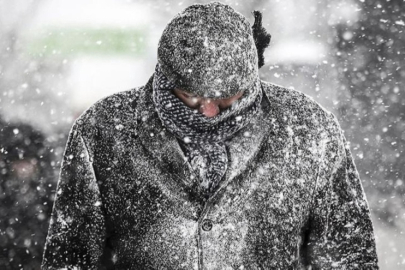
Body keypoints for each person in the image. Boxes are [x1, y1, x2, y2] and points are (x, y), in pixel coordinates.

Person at [42, 2, 379, 269]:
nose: (208, 111)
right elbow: (69, 257)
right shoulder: (103, 130)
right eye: (190, 96)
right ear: (165, 77)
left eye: (225, 98)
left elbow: (348, 257)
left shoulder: (309, 131)